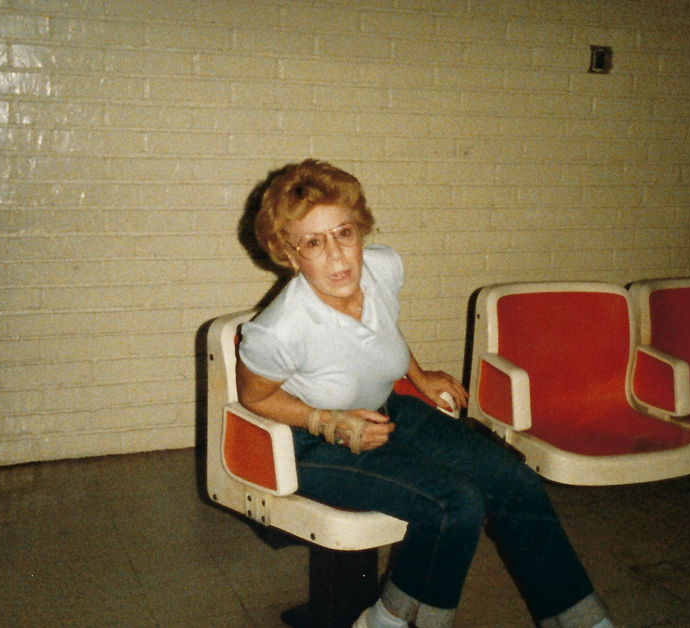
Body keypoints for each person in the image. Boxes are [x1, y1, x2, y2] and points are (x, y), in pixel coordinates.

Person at [236, 159, 618, 628]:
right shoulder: (277, 330)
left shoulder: (382, 269)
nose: (337, 257)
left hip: (386, 412)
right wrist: (327, 421)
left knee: (515, 482)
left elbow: (381, 334)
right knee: (455, 503)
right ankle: (389, 622)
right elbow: (255, 398)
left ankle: (580, 620)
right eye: (314, 243)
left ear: (361, 231)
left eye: (345, 233)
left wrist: (418, 376)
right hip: (310, 443)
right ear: (291, 255)